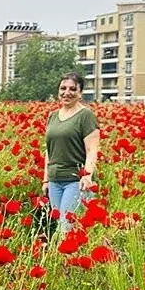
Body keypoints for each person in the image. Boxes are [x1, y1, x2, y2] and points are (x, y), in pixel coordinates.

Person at [42, 72, 100, 232]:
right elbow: (49, 150)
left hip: (75, 181)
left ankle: (62, 257)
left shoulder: (85, 116)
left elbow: (92, 149)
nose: (67, 93)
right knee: (59, 225)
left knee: (67, 228)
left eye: (73, 89)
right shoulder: (53, 116)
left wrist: (87, 175)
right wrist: (45, 180)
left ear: (80, 93)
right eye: (63, 88)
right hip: (54, 180)